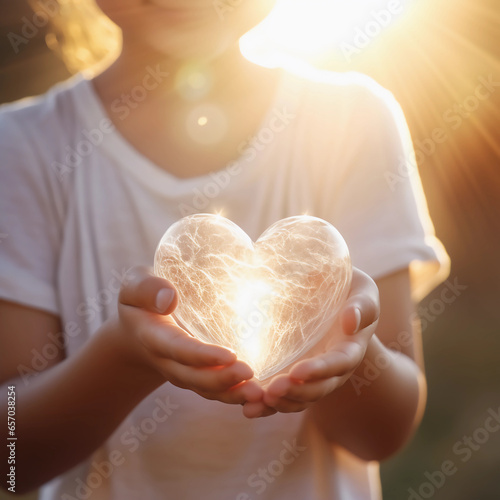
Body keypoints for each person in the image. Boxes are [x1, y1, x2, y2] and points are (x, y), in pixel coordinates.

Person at [0, 1, 449, 498]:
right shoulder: (19, 148)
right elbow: (13, 459)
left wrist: (350, 352)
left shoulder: (353, 122)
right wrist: (125, 359)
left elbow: (384, 434)